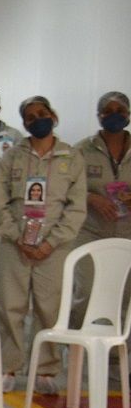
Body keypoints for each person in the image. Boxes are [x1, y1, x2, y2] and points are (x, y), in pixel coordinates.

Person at [0, 95, 87, 394]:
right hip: (15, 242)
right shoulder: (12, 156)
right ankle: (8, 367)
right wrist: (16, 236)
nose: (37, 120)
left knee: (50, 307)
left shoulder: (71, 158)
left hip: (54, 247)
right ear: (24, 123)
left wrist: (51, 242)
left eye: (42, 113)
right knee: (11, 306)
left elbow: (77, 208)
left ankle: (46, 369)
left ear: (54, 116)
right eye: (30, 117)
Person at [72, 91, 131, 323]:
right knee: (85, 291)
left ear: (128, 115)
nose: (114, 116)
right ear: (99, 116)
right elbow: (67, 188)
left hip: (127, 233)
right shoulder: (82, 150)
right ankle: (78, 345)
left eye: (120, 111)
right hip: (91, 231)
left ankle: (118, 352)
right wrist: (90, 197)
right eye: (108, 111)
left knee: (123, 293)